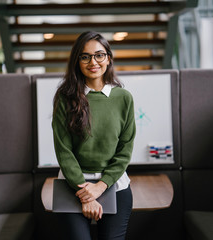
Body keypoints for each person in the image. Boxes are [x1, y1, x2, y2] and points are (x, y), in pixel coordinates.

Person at [52, 31, 136, 240]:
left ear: (108, 58)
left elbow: (125, 149)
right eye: (85, 56)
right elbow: (64, 151)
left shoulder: (123, 98)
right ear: (77, 61)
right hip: (73, 186)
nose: (93, 62)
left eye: (99, 55)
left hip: (113, 185)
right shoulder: (65, 98)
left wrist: (100, 186)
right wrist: (86, 195)